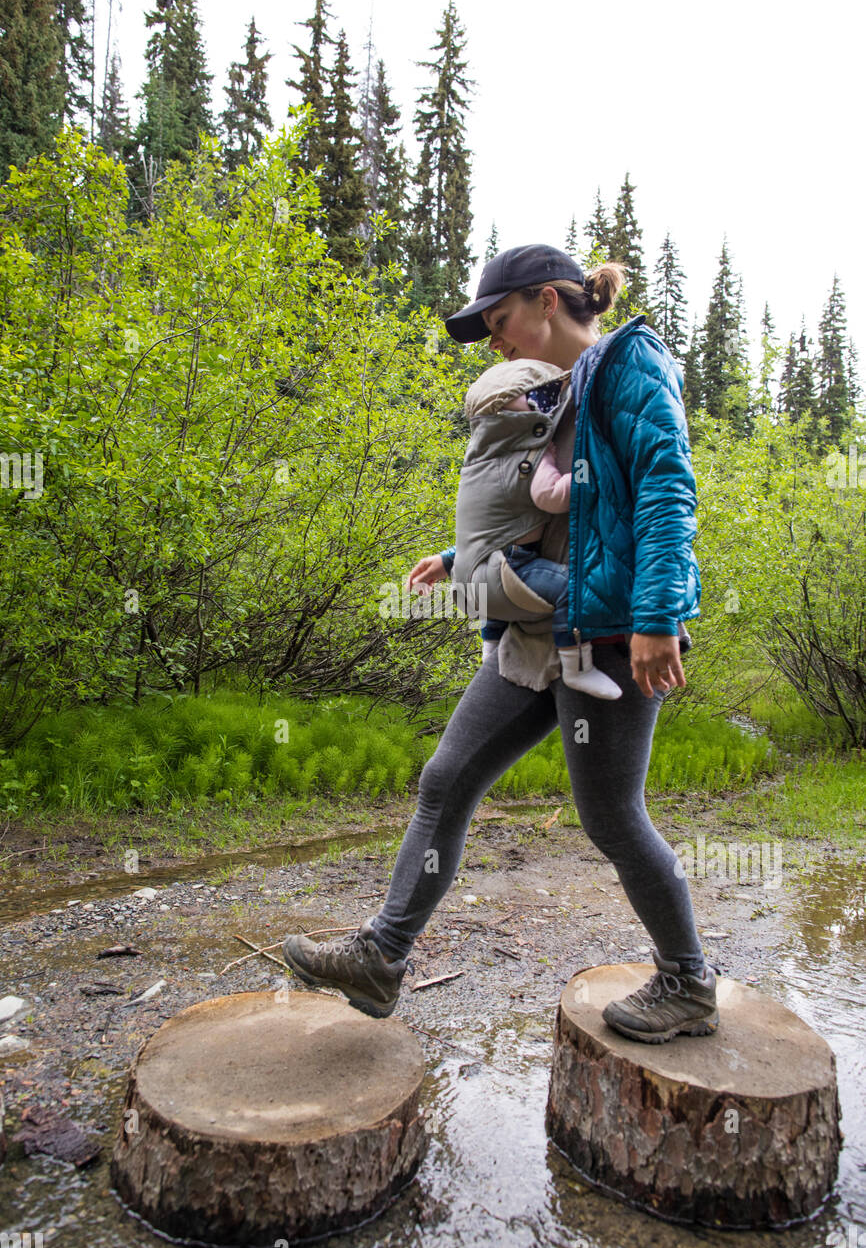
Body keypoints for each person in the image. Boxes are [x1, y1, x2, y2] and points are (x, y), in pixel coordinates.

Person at [281, 244, 718, 1045]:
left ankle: (689, 982)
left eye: (500, 319)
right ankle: (382, 955)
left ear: (548, 301)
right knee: (445, 779)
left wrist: (658, 617)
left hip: (609, 632)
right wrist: (458, 561)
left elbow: (665, 485)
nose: (493, 340)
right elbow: (547, 509)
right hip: (536, 630)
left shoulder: (632, 364)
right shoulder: (560, 392)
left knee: (612, 818)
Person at [448, 356, 622, 699]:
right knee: (572, 590)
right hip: (509, 568)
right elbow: (552, 496)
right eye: (534, 398)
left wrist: (445, 560)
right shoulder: (527, 453)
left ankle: (491, 649)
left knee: (496, 582)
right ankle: (577, 668)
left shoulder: (480, 454)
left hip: (469, 576)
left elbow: (485, 517)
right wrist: (592, 476)